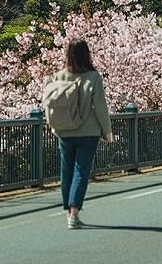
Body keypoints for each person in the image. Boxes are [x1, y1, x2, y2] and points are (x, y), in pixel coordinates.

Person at [50, 38, 113, 229]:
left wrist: (54, 127)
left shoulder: (59, 76)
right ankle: (74, 213)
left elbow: (52, 105)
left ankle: (69, 212)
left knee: (66, 172)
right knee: (80, 172)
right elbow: (100, 107)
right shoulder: (93, 77)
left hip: (65, 131)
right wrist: (107, 131)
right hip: (88, 132)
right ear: (86, 54)